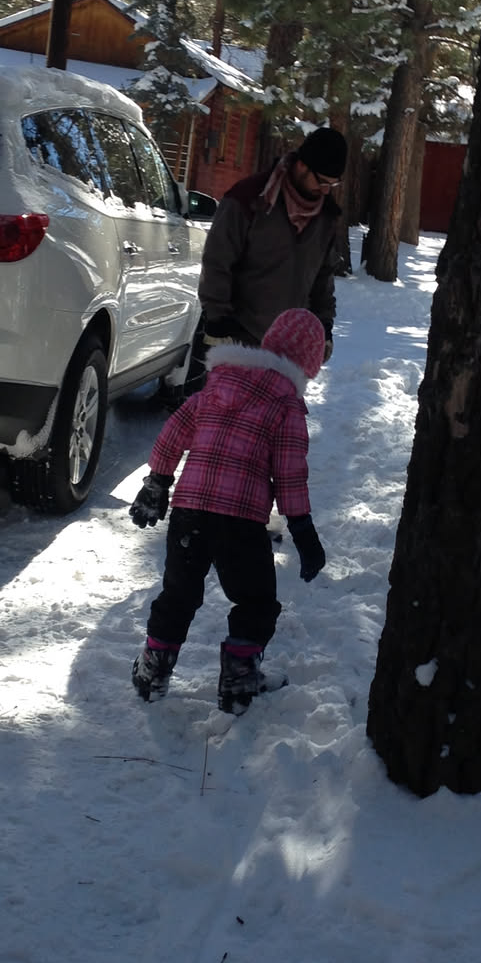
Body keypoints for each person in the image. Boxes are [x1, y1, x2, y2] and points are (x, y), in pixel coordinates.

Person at [128, 306, 328, 715]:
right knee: (255, 601)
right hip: (240, 522)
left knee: (178, 593)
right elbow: (289, 472)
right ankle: (239, 679)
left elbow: (174, 432)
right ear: (309, 364)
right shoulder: (287, 404)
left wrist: (157, 482)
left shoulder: (218, 384)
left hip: (189, 512)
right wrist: (302, 528)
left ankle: (153, 670)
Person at [198, 125, 348, 363]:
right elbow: (217, 260)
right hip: (238, 338)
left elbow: (323, 277)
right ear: (302, 166)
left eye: (332, 184)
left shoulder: (325, 217)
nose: (325, 190)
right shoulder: (249, 199)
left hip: (290, 347)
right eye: (321, 181)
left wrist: (324, 326)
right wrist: (218, 319)